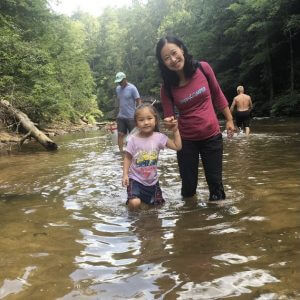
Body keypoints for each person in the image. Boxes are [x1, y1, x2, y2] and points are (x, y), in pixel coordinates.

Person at [155, 36, 234, 201]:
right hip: (186, 142)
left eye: (174, 53)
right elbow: (169, 117)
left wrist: (229, 120)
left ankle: (218, 224)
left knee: (216, 187)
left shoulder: (203, 68)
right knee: (188, 189)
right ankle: (190, 222)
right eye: (166, 58)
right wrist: (170, 123)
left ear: (182, 49)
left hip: (212, 136)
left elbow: (218, 94)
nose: (173, 60)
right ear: (163, 63)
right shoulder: (167, 88)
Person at [122, 103, 182, 209]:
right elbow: (127, 157)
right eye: (141, 120)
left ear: (156, 120)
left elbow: (177, 146)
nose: (146, 122)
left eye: (149, 118)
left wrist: (175, 130)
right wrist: (125, 175)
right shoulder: (133, 140)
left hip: (152, 181)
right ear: (136, 123)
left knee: (158, 208)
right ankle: (134, 221)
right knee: (135, 203)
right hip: (135, 179)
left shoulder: (159, 138)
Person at [115, 71, 142, 152]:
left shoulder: (132, 88)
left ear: (125, 79)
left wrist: (138, 112)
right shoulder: (117, 89)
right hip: (121, 116)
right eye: (118, 82)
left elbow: (138, 100)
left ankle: (135, 151)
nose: (119, 83)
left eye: (120, 81)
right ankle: (121, 152)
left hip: (131, 116)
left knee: (133, 135)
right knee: (120, 134)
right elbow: (120, 101)